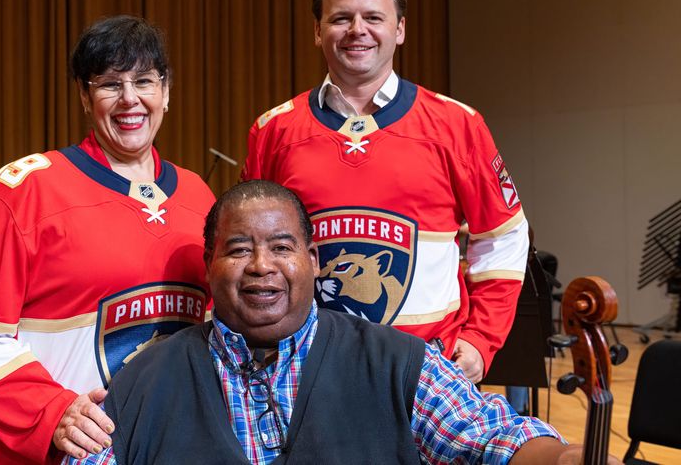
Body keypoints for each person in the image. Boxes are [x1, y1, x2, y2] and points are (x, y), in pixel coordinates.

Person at [65, 180, 618, 464]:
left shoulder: (399, 365)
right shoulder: (144, 379)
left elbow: (492, 442)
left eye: (282, 247)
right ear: (209, 268)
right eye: (238, 249)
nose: (261, 266)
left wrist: (569, 458)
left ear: (313, 261)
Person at [0, 15, 214, 464]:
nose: (130, 99)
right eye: (109, 84)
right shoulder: (24, 190)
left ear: (166, 90)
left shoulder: (200, 195)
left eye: (144, 81)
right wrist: (52, 411)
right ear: (85, 97)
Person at [242, 0, 529, 383]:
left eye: (373, 17)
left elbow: (503, 237)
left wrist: (480, 339)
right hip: (306, 374)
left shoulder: (458, 125)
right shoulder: (274, 130)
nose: (357, 30)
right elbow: (248, 248)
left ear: (400, 30)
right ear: (317, 32)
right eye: (341, 18)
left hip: (430, 372)